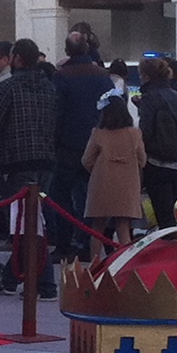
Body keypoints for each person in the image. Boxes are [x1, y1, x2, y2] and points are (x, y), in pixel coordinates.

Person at [0, 37, 61, 296]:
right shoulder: (49, 88)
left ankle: (44, 282)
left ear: (18, 59)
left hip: (18, 161)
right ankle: (13, 276)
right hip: (46, 161)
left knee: (27, 224)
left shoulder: (8, 88)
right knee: (32, 221)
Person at [50, 26, 113, 262]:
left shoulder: (62, 76)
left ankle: (65, 244)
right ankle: (86, 242)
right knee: (90, 195)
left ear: (67, 50)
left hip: (67, 144)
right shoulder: (102, 76)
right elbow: (111, 107)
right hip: (97, 143)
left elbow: (56, 112)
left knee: (61, 195)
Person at [81, 93, 146, 247]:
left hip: (102, 183)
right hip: (127, 185)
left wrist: (99, 169)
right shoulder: (134, 134)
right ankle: (124, 259)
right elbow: (142, 160)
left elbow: (86, 160)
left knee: (98, 227)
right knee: (123, 226)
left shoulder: (98, 133)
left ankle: (95, 261)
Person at [137, 56, 177, 228]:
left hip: (157, 163)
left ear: (146, 76)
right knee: (174, 218)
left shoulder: (149, 98)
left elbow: (146, 131)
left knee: (164, 218)